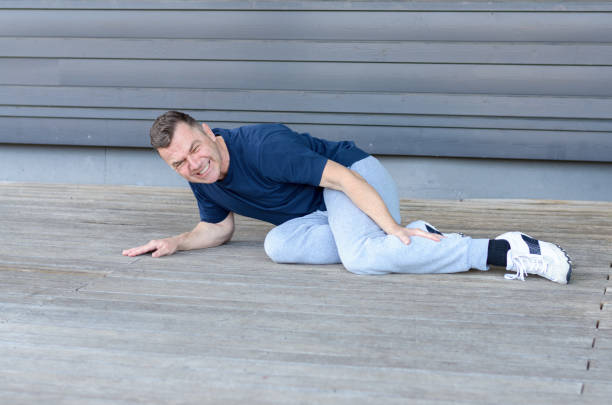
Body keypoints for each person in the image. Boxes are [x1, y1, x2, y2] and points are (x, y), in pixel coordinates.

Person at [123, 111, 572, 284]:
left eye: (195, 150)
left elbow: (343, 180)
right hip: (325, 212)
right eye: (178, 163)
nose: (192, 165)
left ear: (208, 132)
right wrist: (176, 242)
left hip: (355, 178)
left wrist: (391, 227)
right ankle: (418, 238)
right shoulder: (200, 174)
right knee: (277, 245)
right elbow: (218, 228)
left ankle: (506, 250)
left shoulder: (262, 147)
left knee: (361, 258)